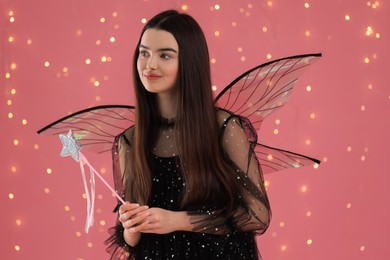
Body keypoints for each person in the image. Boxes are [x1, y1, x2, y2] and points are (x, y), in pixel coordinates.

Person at [105, 9, 271, 259]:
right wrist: (130, 227)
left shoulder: (222, 129)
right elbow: (130, 242)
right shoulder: (130, 141)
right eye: (144, 53)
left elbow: (257, 215)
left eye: (165, 55)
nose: (150, 64)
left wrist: (179, 221)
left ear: (189, 62)